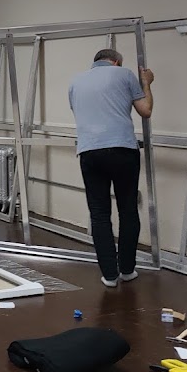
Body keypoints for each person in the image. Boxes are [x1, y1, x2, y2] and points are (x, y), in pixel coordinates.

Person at [68, 48, 154, 288]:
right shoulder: (125, 74)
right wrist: (146, 83)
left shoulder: (75, 82)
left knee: (99, 213)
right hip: (122, 150)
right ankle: (127, 270)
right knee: (127, 210)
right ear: (116, 62)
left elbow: (83, 115)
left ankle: (109, 275)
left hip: (89, 152)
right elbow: (145, 110)